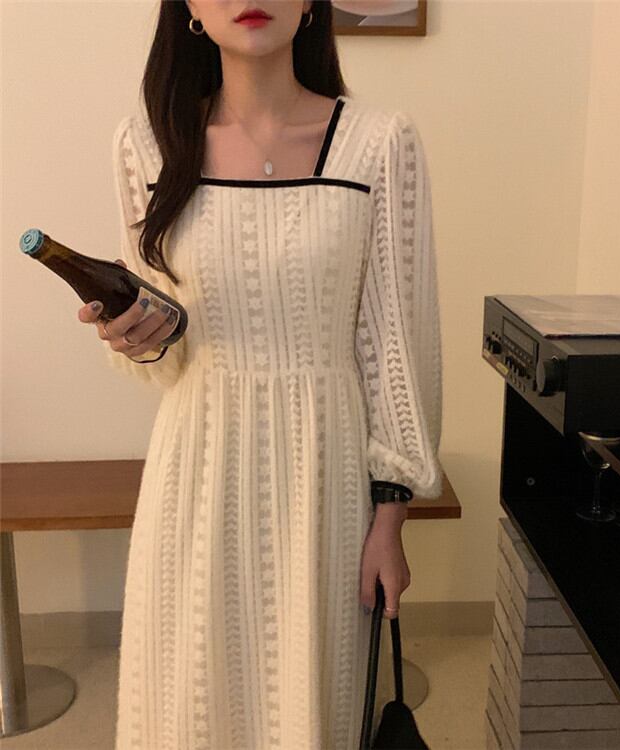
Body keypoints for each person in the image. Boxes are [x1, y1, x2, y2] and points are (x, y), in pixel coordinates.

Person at [78, 1, 442, 747]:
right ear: (189, 9)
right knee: (191, 703)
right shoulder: (145, 144)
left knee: (311, 701)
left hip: (326, 481)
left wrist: (391, 515)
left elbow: (396, 346)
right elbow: (166, 353)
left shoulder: (379, 143)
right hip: (196, 470)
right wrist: (134, 338)